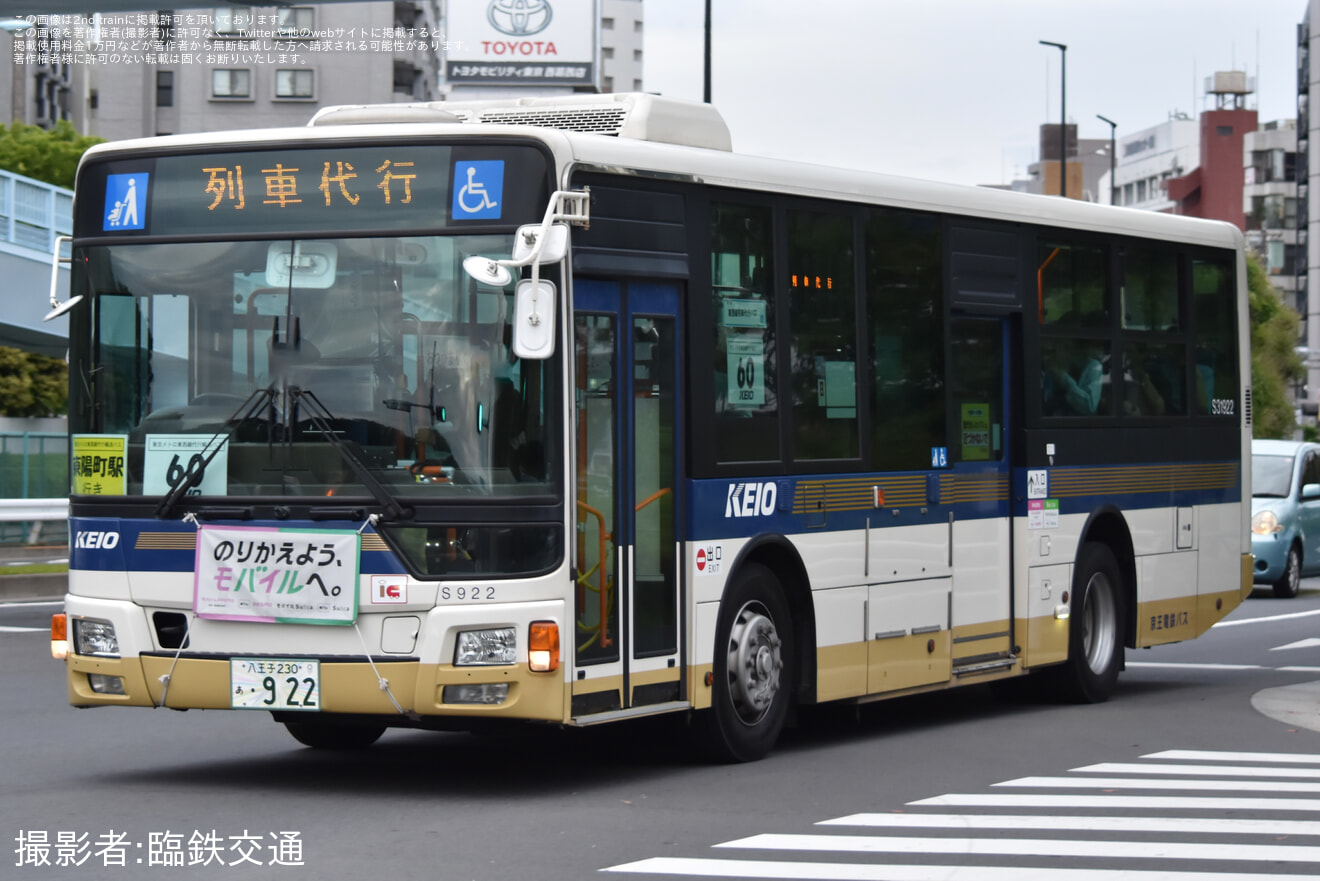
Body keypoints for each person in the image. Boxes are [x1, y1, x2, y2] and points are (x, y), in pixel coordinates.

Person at [1045, 342, 1103, 415]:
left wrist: (1065, 380)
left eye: (1066, 348)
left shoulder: (1093, 366)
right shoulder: (1058, 366)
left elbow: (1089, 407)